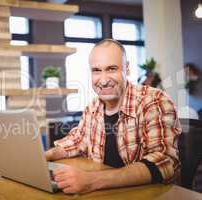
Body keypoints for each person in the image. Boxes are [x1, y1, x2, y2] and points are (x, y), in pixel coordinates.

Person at [45, 39, 182, 194]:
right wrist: (45, 156)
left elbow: (164, 162)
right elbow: (77, 140)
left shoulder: (154, 101)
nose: (103, 80)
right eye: (96, 70)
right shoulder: (93, 107)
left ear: (127, 68)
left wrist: (91, 181)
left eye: (111, 69)